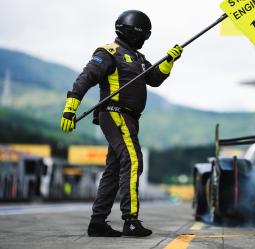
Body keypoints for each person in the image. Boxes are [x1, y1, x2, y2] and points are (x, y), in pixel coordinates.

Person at [60, 10, 183, 237]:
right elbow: (85, 78)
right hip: (115, 113)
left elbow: (154, 79)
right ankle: (131, 220)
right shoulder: (109, 52)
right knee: (133, 160)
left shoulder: (138, 58)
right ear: (132, 32)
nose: (145, 39)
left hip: (129, 118)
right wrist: (70, 109)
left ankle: (97, 223)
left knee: (114, 169)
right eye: (143, 35)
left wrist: (168, 62)